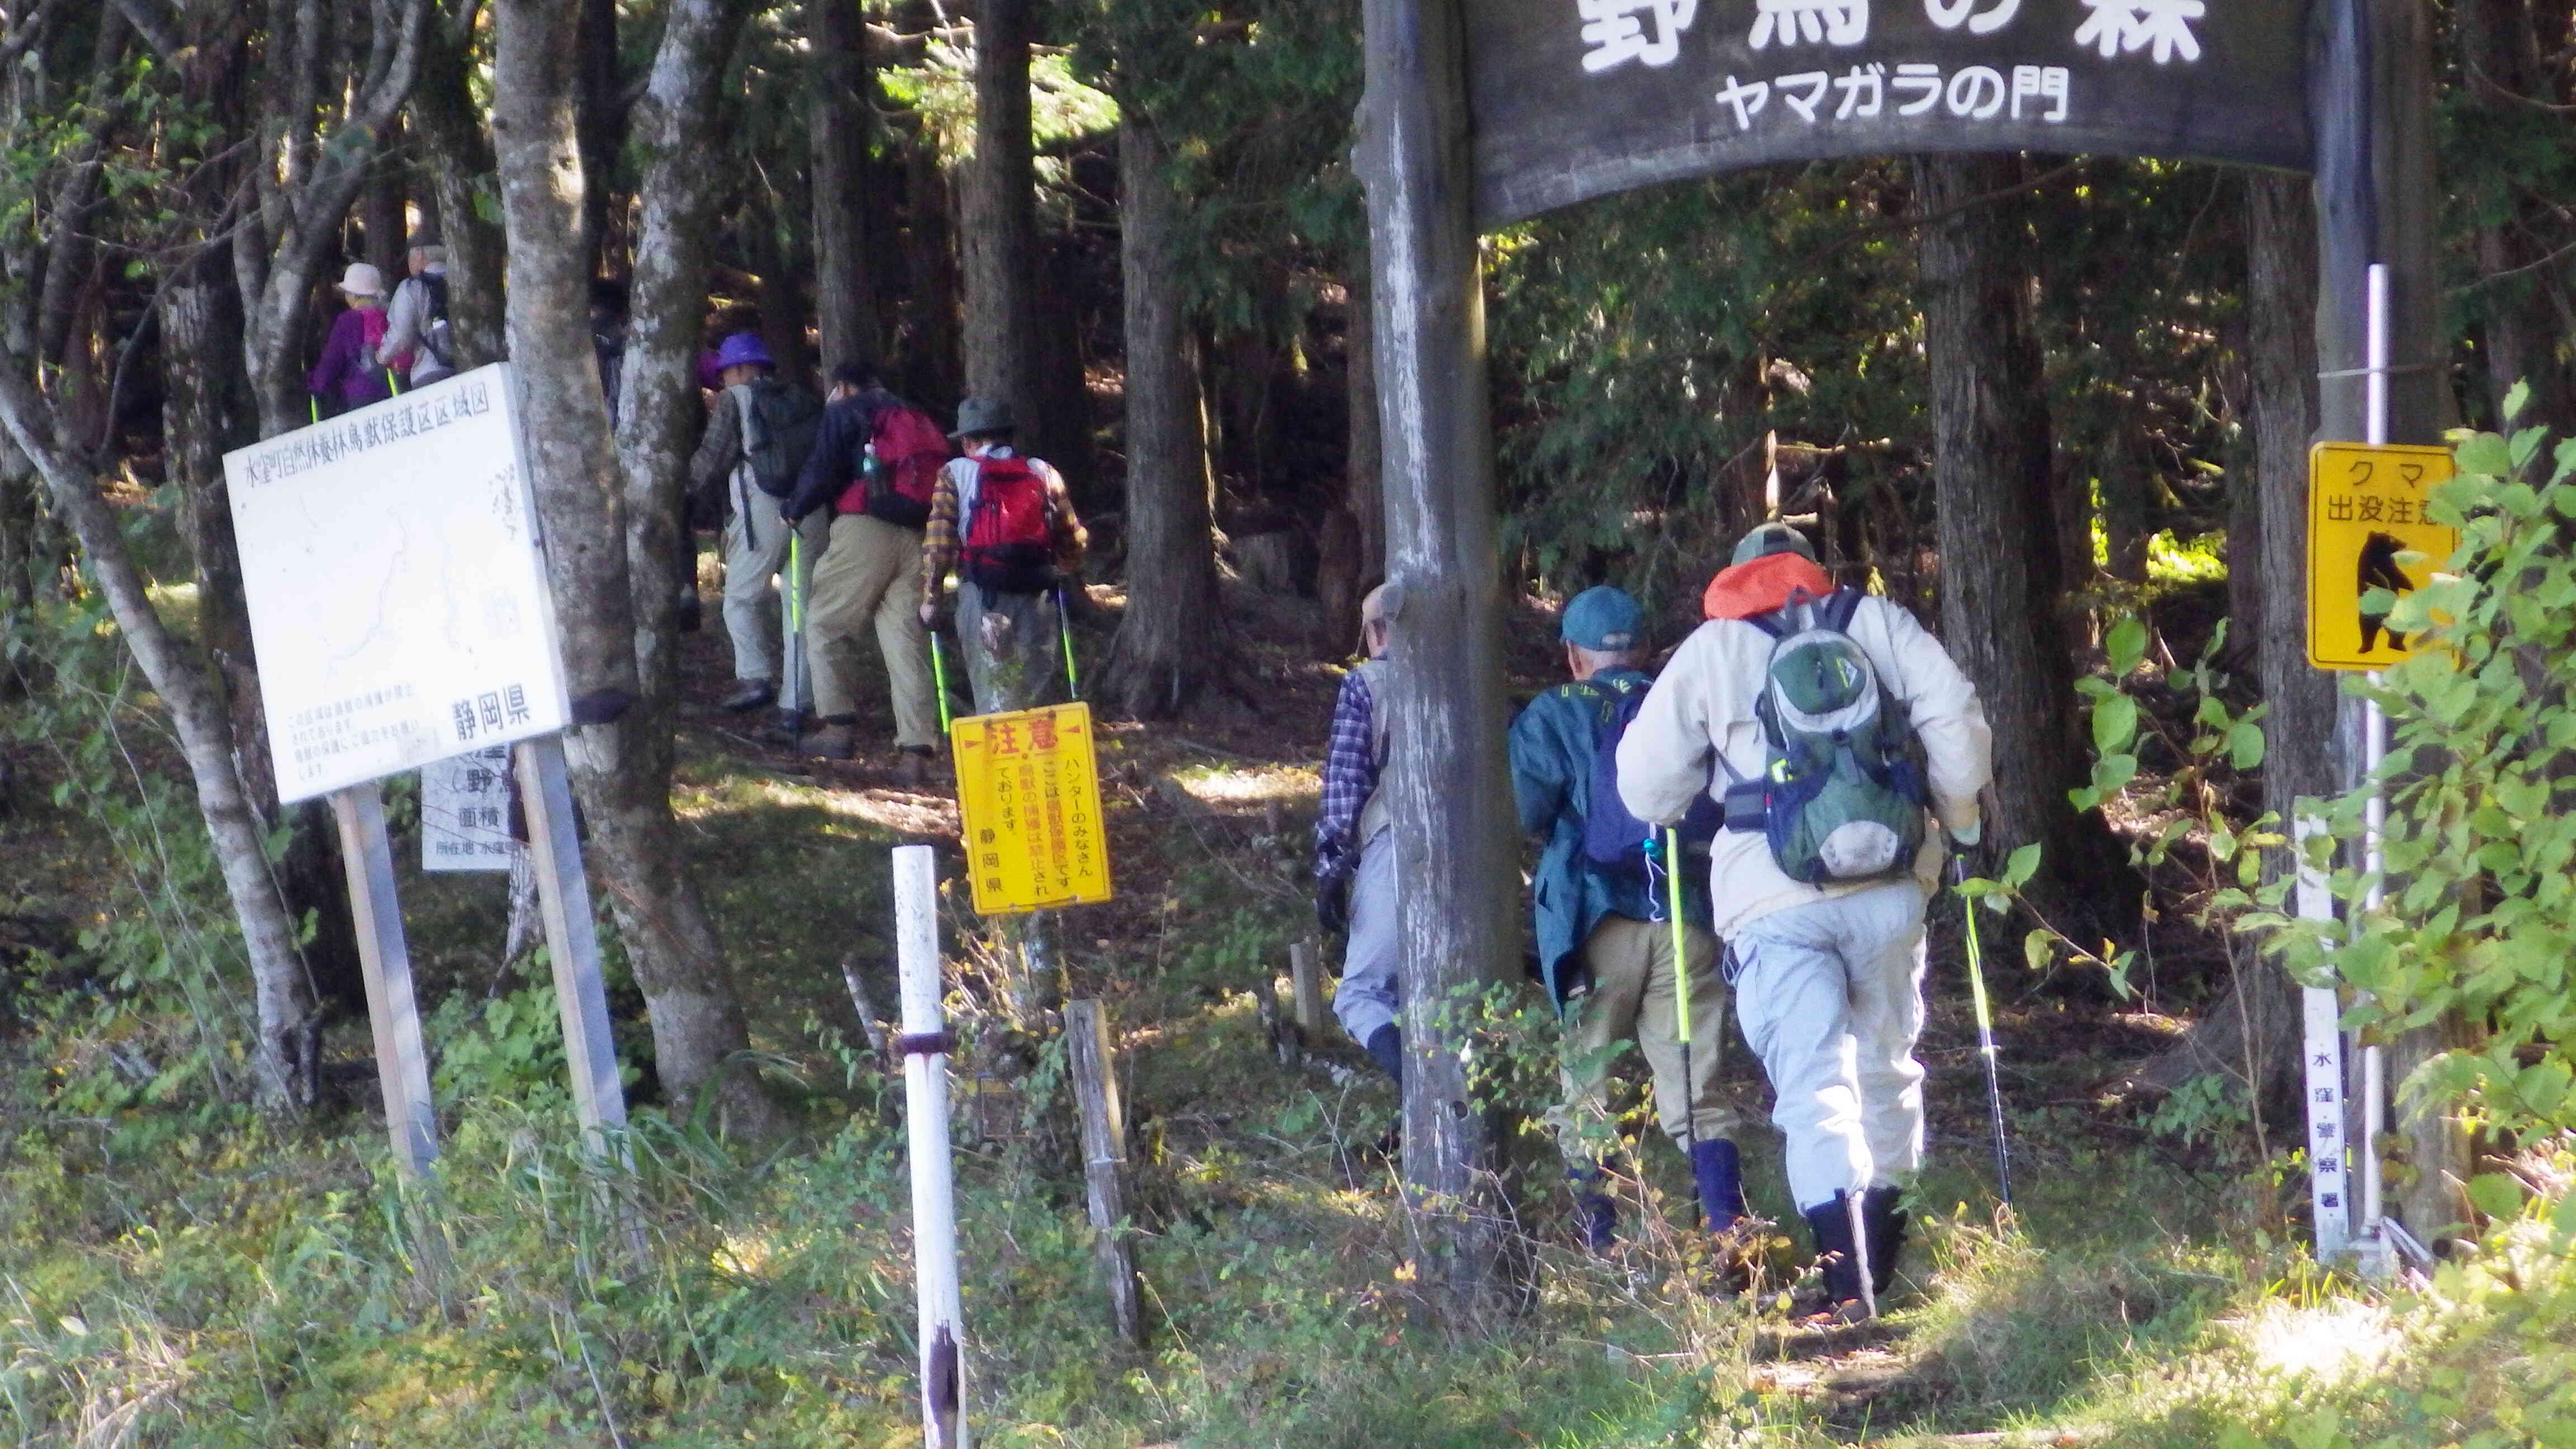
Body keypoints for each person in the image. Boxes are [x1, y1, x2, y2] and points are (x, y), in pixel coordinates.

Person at [1617, 522, 1992, 1316]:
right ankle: (1881, 1267)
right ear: (1810, 573)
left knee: (1815, 1082)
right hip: (1891, 882)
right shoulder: (1877, 623)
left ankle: (1847, 1283)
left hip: (1769, 898)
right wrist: (1958, 822)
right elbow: (1955, 719)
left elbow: (1647, 791)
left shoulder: (1713, 648)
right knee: (1888, 1067)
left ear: (1739, 571)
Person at [1510, 585, 1743, 1253]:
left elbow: (1523, 811)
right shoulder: (1682, 702)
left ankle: (1602, 1245)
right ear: (1647, 649)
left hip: (1594, 923)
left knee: (1587, 1088)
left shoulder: (1552, 713)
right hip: (1686, 912)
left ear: (1574, 658)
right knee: (1697, 1087)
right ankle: (1728, 1235)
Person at [782, 362, 944, 776]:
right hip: (918, 532)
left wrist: (795, 507)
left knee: (824, 623)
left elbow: (824, 466)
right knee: (905, 640)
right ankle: (915, 751)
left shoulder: (846, 411)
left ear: (843, 386)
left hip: (865, 527)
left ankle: (836, 729)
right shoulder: (913, 413)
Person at [917, 398, 1086, 717]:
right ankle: (1038, 761)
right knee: (1036, 690)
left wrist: (931, 599)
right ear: (1009, 436)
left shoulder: (954, 473)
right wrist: (1061, 569)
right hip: (1037, 594)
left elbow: (939, 544)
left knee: (993, 688)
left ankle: (1000, 760)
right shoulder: (1042, 471)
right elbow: (1074, 537)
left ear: (968, 442)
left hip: (981, 594)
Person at [689, 332, 827, 714]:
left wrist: (679, 488)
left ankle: (755, 678)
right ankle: (796, 705)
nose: (723, 381)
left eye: (726, 372)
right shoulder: (801, 398)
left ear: (743, 368)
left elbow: (712, 457)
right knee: (798, 608)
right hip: (808, 511)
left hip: (762, 512)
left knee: (739, 600)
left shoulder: (737, 400)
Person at [1314, 585, 1404, 1085]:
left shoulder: (1366, 684)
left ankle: (1426, 1100)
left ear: (1375, 631)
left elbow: (1346, 784)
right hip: (1473, 858)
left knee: (1361, 995)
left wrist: (1329, 868)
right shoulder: (1466, 677)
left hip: (1394, 845)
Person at [306, 263, 396, 416]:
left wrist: (312, 382)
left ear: (354, 295)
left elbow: (332, 362)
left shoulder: (348, 321)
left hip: (362, 395)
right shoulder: (389, 315)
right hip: (394, 390)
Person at [376, 229, 454, 389]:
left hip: (429, 372)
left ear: (418, 254)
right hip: (469, 368)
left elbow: (401, 336)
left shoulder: (412, 287)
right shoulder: (462, 282)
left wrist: (380, 356)